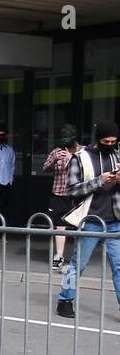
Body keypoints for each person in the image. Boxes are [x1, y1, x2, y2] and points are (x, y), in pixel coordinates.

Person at [55, 121, 119, 320]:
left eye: (114, 141)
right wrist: (100, 180)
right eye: (106, 141)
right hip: (90, 219)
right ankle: (65, 300)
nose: (110, 144)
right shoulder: (80, 158)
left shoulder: (118, 153)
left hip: (115, 219)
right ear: (98, 139)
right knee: (77, 264)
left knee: (119, 266)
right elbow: (72, 189)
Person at [42, 125, 81, 269]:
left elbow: (88, 171)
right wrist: (54, 160)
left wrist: (72, 158)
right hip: (58, 193)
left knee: (80, 226)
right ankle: (59, 257)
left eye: (68, 137)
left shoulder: (82, 151)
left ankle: (78, 260)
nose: (66, 140)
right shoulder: (56, 151)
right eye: (63, 137)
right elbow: (45, 168)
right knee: (60, 226)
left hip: (76, 194)